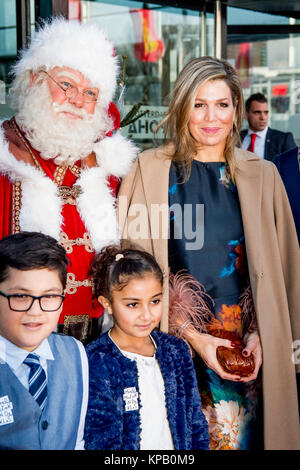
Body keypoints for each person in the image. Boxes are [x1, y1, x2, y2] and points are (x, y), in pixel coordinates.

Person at [117, 57, 300, 450]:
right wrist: (195, 338)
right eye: (198, 104)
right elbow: (126, 272)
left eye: (222, 104)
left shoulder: (263, 175)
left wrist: (264, 335)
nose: (210, 117)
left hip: (247, 357)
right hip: (171, 344)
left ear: (236, 109)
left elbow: (287, 272)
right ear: (182, 106)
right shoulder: (146, 172)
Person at [0, 18, 138, 344]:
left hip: (98, 341)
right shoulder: (5, 157)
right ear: (35, 78)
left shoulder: (108, 168)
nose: (77, 100)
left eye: (90, 92)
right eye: (66, 85)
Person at [84, 245, 209, 450]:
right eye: (133, 304)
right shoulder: (97, 361)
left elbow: (195, 423)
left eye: (155, 301)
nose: (147, 315)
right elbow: (101, 440)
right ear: (107, 303)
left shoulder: (175, 350)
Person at [0, 232, 88, 450]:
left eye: (49, 296)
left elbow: (76, 440)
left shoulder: (75, 353)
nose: (35, 311)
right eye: (20, 296)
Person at [240, 92, 296, 160]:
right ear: (246, 115)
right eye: (257, 112)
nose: (263, 117)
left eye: (266, 112)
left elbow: (292, 168)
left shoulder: (283, 140)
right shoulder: (237, 138)